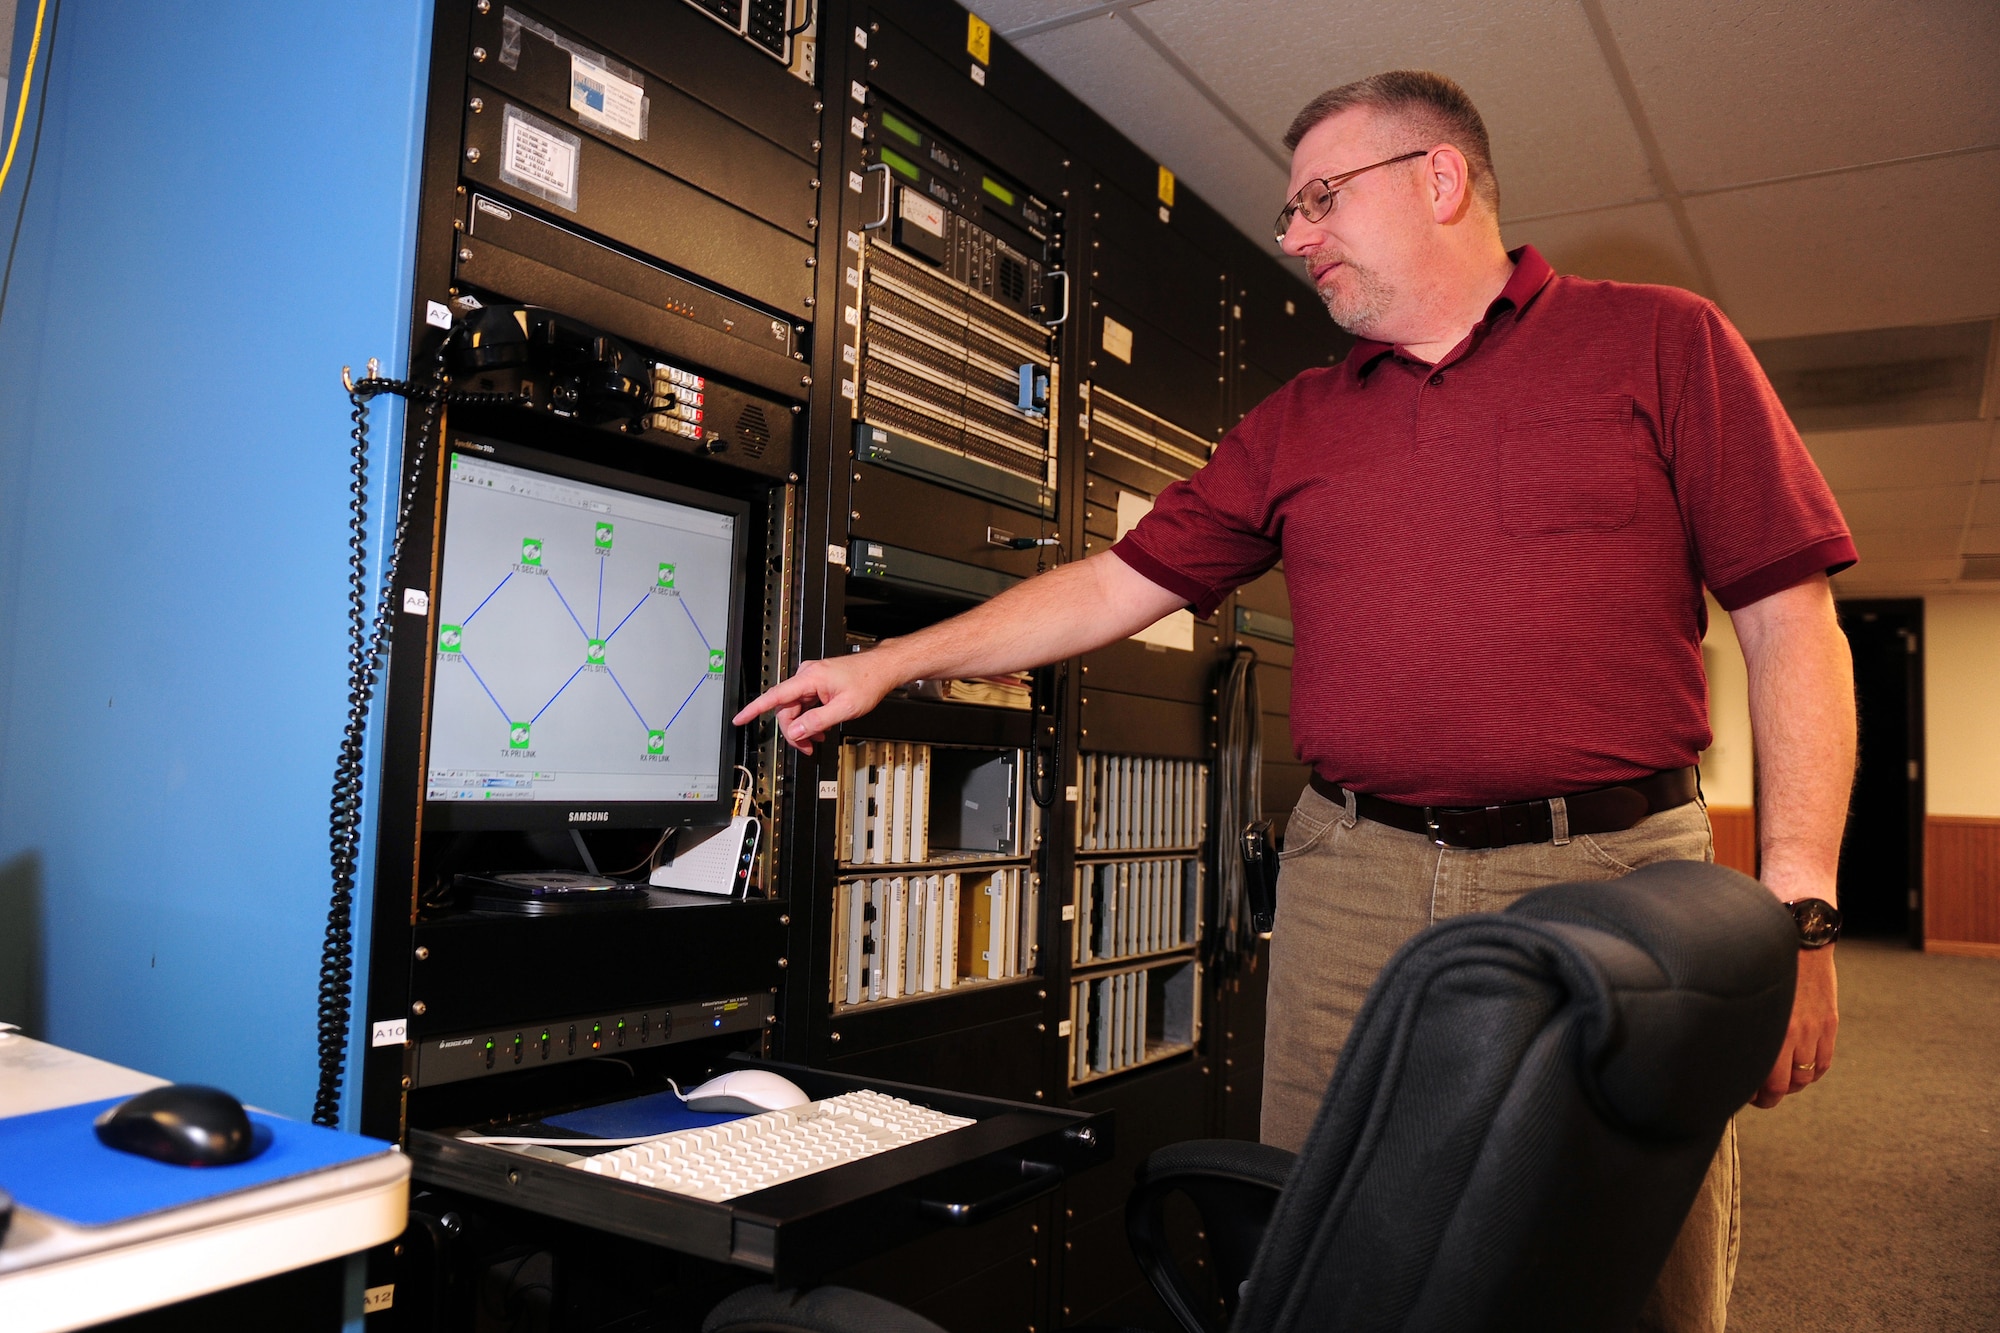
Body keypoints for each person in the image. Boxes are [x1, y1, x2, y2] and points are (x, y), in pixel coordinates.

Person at [736, 70, 1856, 1332]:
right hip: (1355, 868)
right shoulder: (1297, 420)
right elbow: (1115, 583)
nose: (1292, 237)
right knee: (1328, 1243)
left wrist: (1796, 912)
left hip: (1610, 864)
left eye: (1320, 199)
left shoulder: (1661, 339)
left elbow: (1789, 622)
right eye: (1285, 212)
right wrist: (891, 661)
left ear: (1439, 179)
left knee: (1628, 1252)